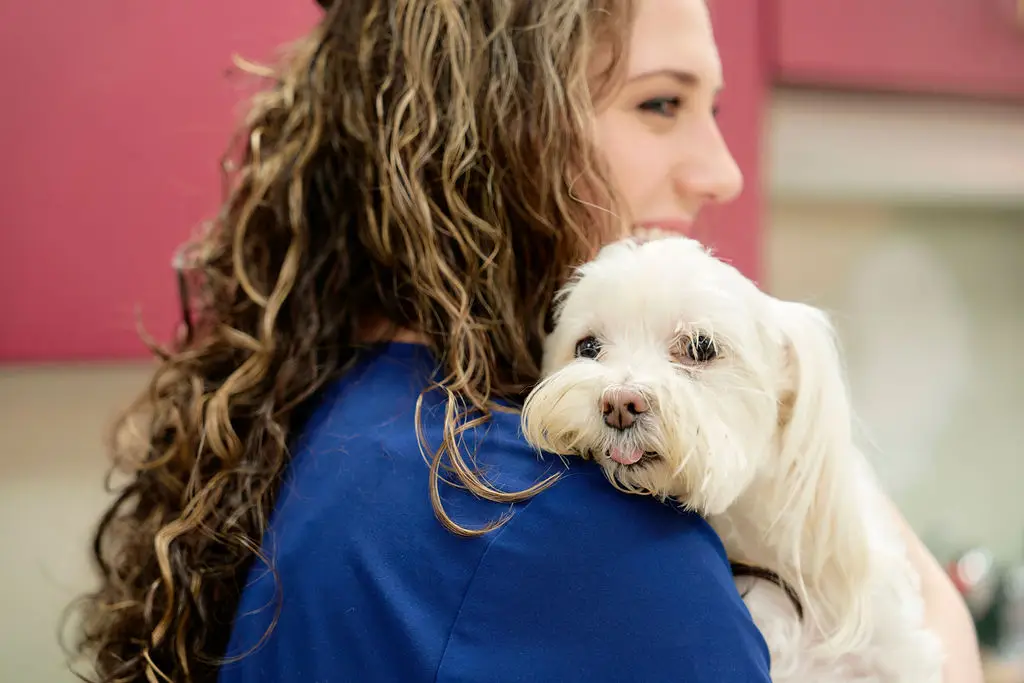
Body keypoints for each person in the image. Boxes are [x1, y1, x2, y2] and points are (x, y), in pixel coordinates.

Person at [70, 0, 984, 681]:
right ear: (489, 134)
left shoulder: (341, 415)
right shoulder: (562, 518)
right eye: (661, 104)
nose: (724, 171)